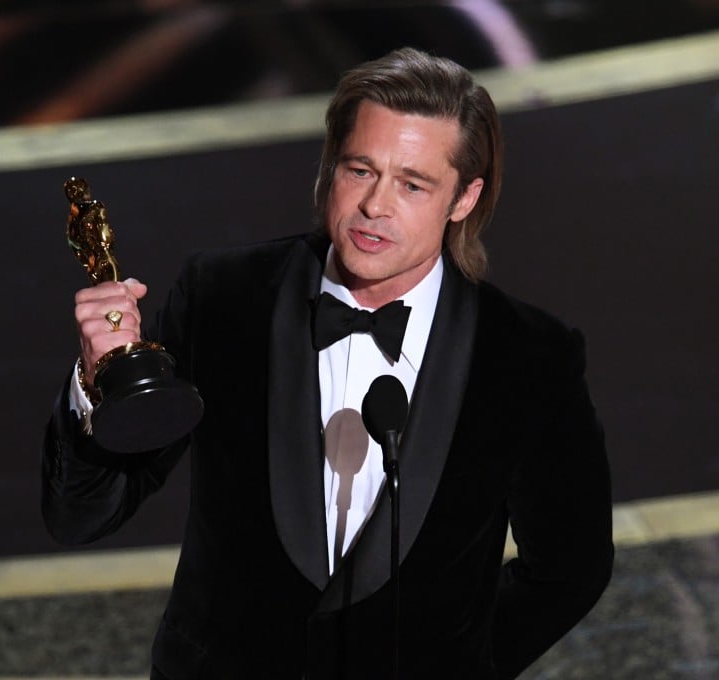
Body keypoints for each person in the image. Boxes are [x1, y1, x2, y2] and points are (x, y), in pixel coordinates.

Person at [42, 47, 614, 679]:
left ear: (464, 198)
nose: (375, 206)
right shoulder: (224, 297)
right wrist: (99, 386)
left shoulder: (528, 354)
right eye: (360, 170)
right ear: (329, 168)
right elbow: (83, 514)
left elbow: (569, 568)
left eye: (413, 184)